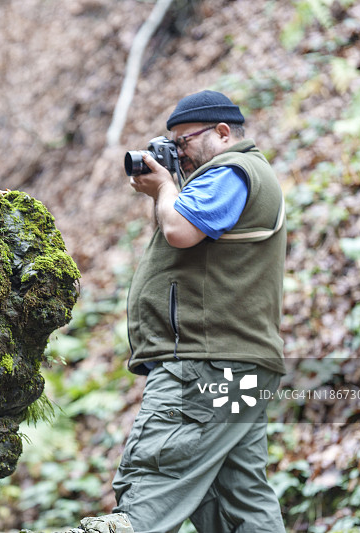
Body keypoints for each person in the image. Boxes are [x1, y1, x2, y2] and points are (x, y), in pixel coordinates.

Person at [112, 90, 287, 533]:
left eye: (184, 143)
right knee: (238, 497)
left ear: (223, 134)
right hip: (235, 363)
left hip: (204, 364)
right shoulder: (235, 176)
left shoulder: (232, 169)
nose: (179, 154)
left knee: (151, 481)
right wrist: (169, 187)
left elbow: (180, 230)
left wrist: (166, 188)